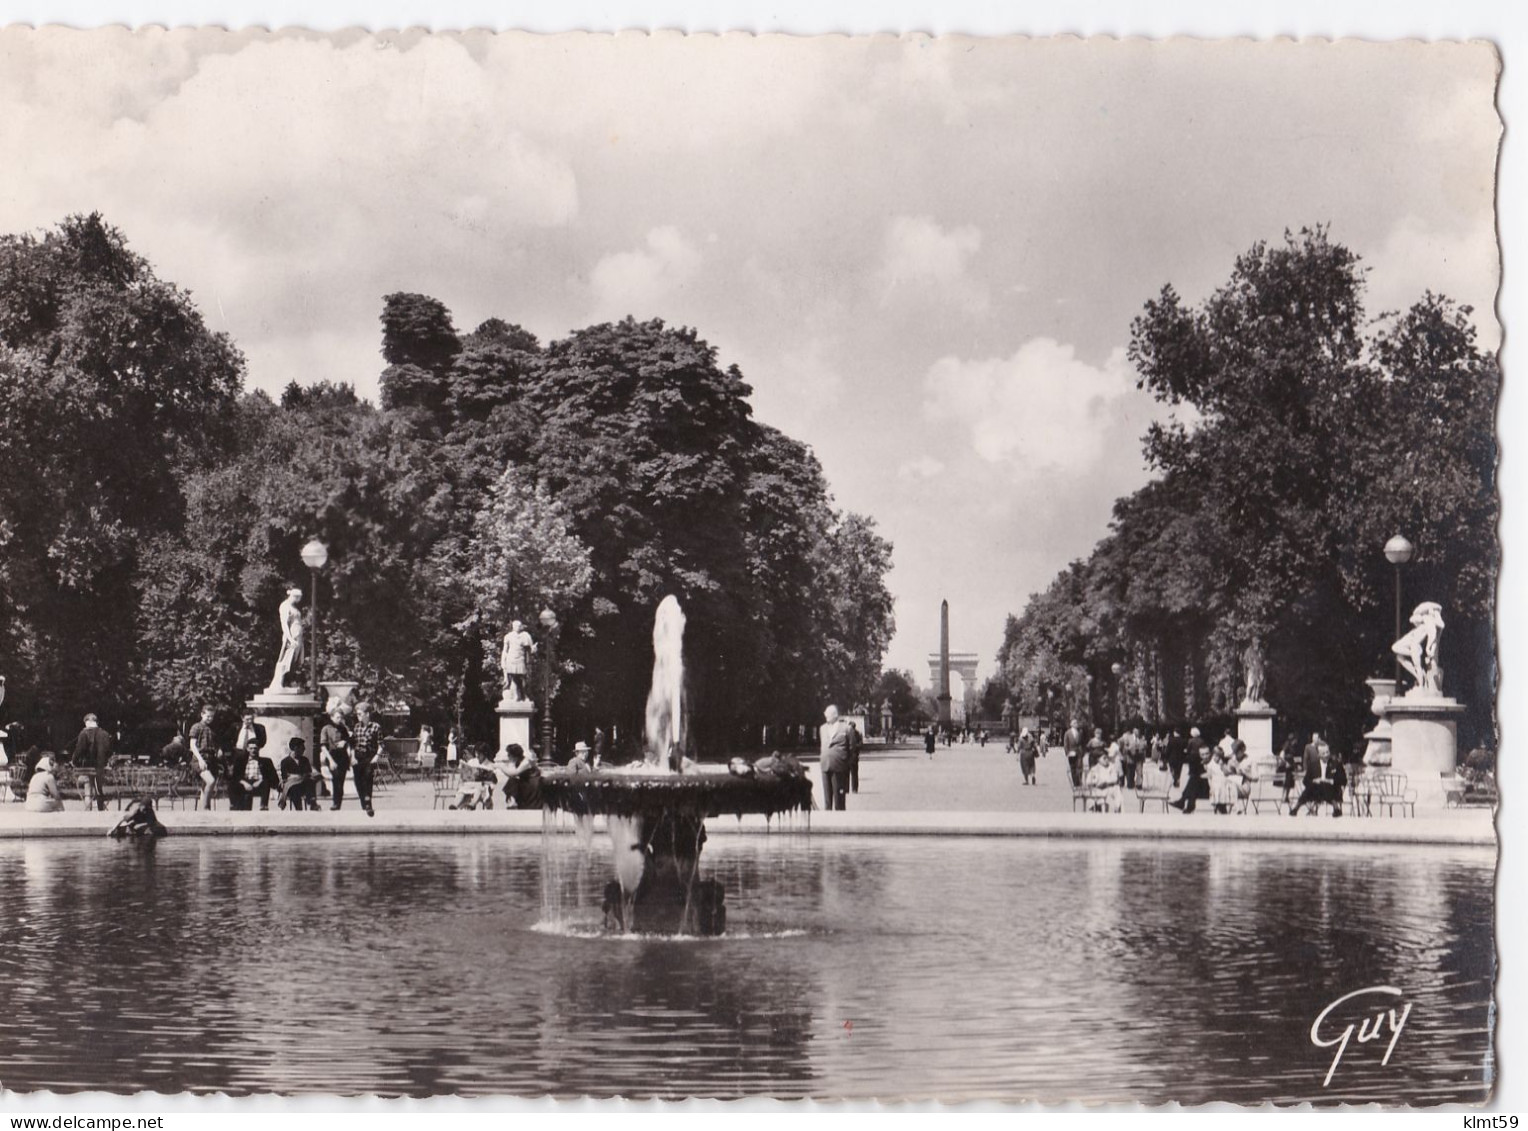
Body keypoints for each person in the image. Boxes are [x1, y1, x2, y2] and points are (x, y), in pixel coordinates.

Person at [1291, 741, 1347, 817]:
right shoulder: (1313, 765)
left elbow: (1343, 780)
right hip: (1316, 791)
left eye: (1327, 752)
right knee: (1311, 787)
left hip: (1332, 790)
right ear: (1318, 755)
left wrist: (1331, 781)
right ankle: (1295, 808)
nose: (1326, 755)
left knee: (1325, 785)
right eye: (1323, 753)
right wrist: (1314, 781)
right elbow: (1305, 781)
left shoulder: (1336, 764)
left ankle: (1336, 808)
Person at [71, 712, 114, 811]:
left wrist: (74, 762)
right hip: (101, 766)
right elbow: (109, 751)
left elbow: (79, 750)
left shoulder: (84, 733)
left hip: (88, 766)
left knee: (88, 788)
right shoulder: (105, 734)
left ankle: (88, 810)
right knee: (98, 788)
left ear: (87, 721)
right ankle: (100, 808)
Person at [235, 711, 278, 809]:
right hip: (239, 755)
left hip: (258, 779)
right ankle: (238, 806)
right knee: (238, 784)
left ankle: (263, 806)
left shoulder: (259, 728)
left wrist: (260, 780)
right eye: (247, 719)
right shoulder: (236, 727)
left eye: (251, 719)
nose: (249, 721)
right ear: (242, 718)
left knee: (264, 780)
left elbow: (262, 741)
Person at [269, 586, 306, 691]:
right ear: (294, 596)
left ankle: (288, 683)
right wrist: (290, 639)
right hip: (291, 638)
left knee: (294, 662)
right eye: (298, 598)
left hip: (298, 638)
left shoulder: (294, 608)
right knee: (285, 660)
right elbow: (284, 624)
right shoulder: (285, 606)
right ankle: (277, 683)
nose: (299, 600)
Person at [349, 700, 381, 817]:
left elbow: (381, 744)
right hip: (357, 757)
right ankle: (364, 802)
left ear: (367, 714)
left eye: (360, 714)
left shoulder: (376, 727)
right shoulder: (356, 727)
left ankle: (368, 804)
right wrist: (352, 757)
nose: (358, 716)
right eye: (357, 714)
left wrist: (376, 757)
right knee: (358, 781)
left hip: (369, 757)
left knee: (367, 778)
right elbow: (352, 744)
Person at [320, 706, 353, 810]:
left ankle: (338, 804)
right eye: (338, 717)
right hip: (332, 756)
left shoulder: (344, 728)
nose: (340, 719)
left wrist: (345, 741)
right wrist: (330, 761)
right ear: (332, 717)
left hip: (343, 757)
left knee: (341, 781)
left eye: (341, 717)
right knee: (336, 779)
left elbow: (349, 740)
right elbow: (323, 746)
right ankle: (335, 803)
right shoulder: (326, 729)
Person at [819, 705, 851, 811]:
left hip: (839, 767)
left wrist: (846, 764)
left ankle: (840, 821)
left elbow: (852, 748)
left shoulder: (846, 728)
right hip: (825, 766)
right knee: (827, 800)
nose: (825, 715)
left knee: (839, 799)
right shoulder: (822, 728)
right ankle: (828, 820)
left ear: (835, 715)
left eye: (828, 713)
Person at [188, 705, 220, 811]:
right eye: (208, 716)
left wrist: (218, 750)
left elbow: (214, 744)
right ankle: (207, 808)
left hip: (211, 759)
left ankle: (204, 814)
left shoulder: (212, 729)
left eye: (212, 717)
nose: (210, 719)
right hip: (199, 759)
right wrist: (200, 760)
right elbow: (192, 745)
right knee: (211, 781)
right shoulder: (196, 727)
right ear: (202, 714)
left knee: (205, 787)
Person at [278, 737, 319, 810]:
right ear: (295, 748)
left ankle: (312, 803)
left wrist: (296, 776)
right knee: (294, 788)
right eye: (302, 747)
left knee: (310, 781)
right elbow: (285, 777)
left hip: (303, 784)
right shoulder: (285, 761)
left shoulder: (304, 760)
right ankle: (298, 808)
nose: (304, 749)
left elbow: (308, 773)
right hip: (291, 786)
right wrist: (299, 776)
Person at [500, 621, 536, 701]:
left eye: (519, 626)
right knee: (513, 677)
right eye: (516, 626)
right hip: (511, 658)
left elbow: (530, 649)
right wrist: (503, 660)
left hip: (521, 658)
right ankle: (516, 695)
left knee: (522, 677)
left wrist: (533, 649)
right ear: (513, 626)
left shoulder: (525, 636)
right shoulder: (508, 636)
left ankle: (523, 694)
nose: (518, 627)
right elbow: (505, 650)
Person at [1086, 746, 1125, 812]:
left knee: (1117, 789)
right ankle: (1101, 810)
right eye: (1104, 758)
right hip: (1098, 789)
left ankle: (1117, 810)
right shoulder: (1095, 769)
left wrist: (1106, 782)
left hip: (1109, 788)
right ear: (1098, 759)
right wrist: (1096, 783)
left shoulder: (1111, 767)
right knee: (1096, 793)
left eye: (1107, 758)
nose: (1107, 760)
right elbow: (1089, 781)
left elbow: (1115, 778)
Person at [505, 742, 543, 809]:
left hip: (532, 783)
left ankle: (513, 800)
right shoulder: (516, 762)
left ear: (515, 755)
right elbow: (512, 774)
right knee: (512, 780)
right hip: (525, 782)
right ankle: (512, 800)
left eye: (509, 755)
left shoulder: (526, 761)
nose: (508, 757)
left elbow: (514, 773)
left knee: (513, 780)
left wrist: (500, 766)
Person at [1063, 719, 1085, 786]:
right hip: (1071, 753)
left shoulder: (1080, 732)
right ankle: (1075, 783)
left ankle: (1079, 781)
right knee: (1073, 768)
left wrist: (1083, 751)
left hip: (1079, 752)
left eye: (1076, 723)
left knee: (1080, 767)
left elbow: (1083, 742)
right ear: (1071, 724)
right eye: (1074, 723)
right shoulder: (1067, 733)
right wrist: (1067, 753)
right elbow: (1066, 744)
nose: (1076, 724)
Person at [846, 721, 863, 794]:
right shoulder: (856, 733)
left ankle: (850, 789)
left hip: (851, 755)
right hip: (852, 755)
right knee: (853, 773)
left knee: (850, 773)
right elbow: (860, 744)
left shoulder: (855, 733)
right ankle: (853, 789)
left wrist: (854, 747)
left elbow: (860, 744)